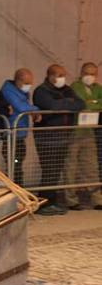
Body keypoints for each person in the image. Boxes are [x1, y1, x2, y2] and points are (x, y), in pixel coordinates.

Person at [32, 64, 85, 215]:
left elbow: (80, 103)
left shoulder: (67, 89)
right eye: (59, 75)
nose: (62, 78)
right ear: (50, 76)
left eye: (63, 75)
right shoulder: (41, 91)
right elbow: (51, 106)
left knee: (56, 171)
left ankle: (52, 201)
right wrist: (68, 103)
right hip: (46, 138)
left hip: (63, 137)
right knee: (48, 171)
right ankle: (43, 203)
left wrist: (66, 104)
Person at [67, 62, 102, 209]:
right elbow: (81, 104)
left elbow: (98, 103)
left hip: (89, 131)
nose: (90, 76)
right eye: (87, 73)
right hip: (74, 131)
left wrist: (91, 103)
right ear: (81, 73)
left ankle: (97, 199)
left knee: (91, 166)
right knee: (71, 167)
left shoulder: (98, 88)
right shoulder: (74, 87)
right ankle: (71, 199)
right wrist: (92, 103)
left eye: (93, 74)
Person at [1, 68, 38, 186]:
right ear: (17, 81)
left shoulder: (24, 93)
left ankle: (18, 189)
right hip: (11, 134)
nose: (29, 86)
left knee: (18, 163)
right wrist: (36, 109)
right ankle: (14, 190)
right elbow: (21, 107)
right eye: (26, 83)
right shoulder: (8, 90)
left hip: (21, 134)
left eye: (30, 83)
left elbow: (26, 107)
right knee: (14, 164)